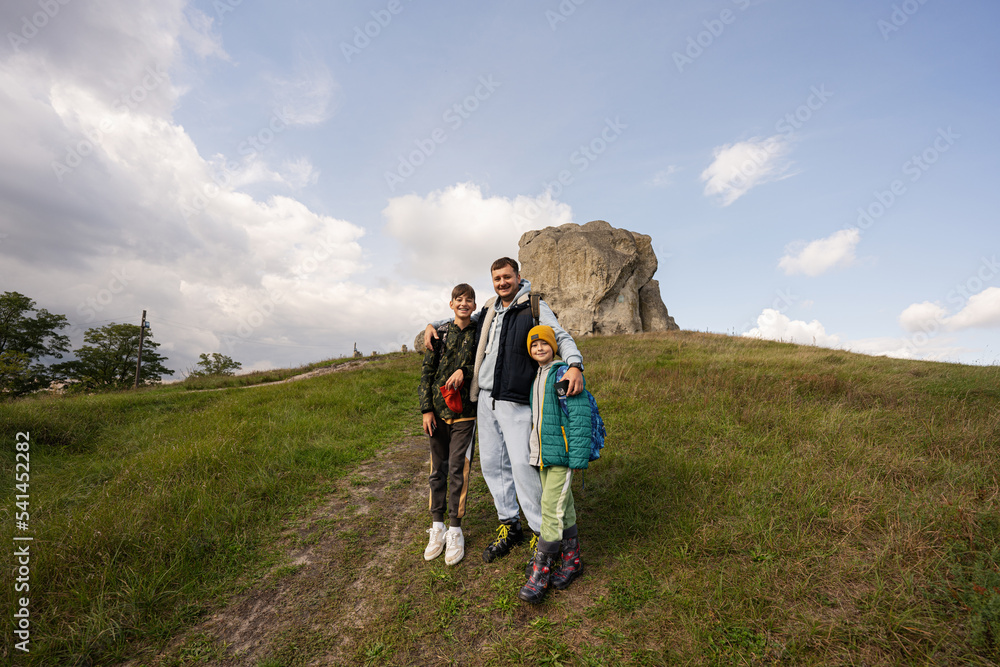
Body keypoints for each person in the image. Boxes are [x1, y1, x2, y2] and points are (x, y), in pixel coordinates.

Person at [425, 257, 584, 564]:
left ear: (518, 276)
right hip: (485, 399)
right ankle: (510, 525)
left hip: (517, 400)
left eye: (507, 277)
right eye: (497, 278)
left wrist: (574, 365)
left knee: (524, 469)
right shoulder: (489, 308)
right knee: (493, 468)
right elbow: (461, 318)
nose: (502, 283)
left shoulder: (534, 306)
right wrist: (432, 322)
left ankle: (542, 533)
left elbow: (560, 336)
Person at [518, 325, 589, 604]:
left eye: (544, 344)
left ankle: (541, 573)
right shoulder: (538, 375)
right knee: (564, 505)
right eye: (534, 346)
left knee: (550, 507)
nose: (539, 348)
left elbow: (579, 412)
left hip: (562, 455)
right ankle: (572, 562)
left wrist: (578, 456)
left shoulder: (561, 373)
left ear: (554, 346)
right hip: (545, 455)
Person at [419, 283, 479, 566]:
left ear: (475, 306)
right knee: (437, 469)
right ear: (451, 304)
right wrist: (426, 409)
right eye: (459, 299)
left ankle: (455, 529)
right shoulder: (440, 333)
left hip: (466, 411)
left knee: (458, 469)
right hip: (438, 412)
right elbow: (427, 372)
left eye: (469, 300)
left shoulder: (481, 333)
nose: (464, 304)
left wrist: (463, 371)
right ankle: (437, 527)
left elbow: (485, 365)